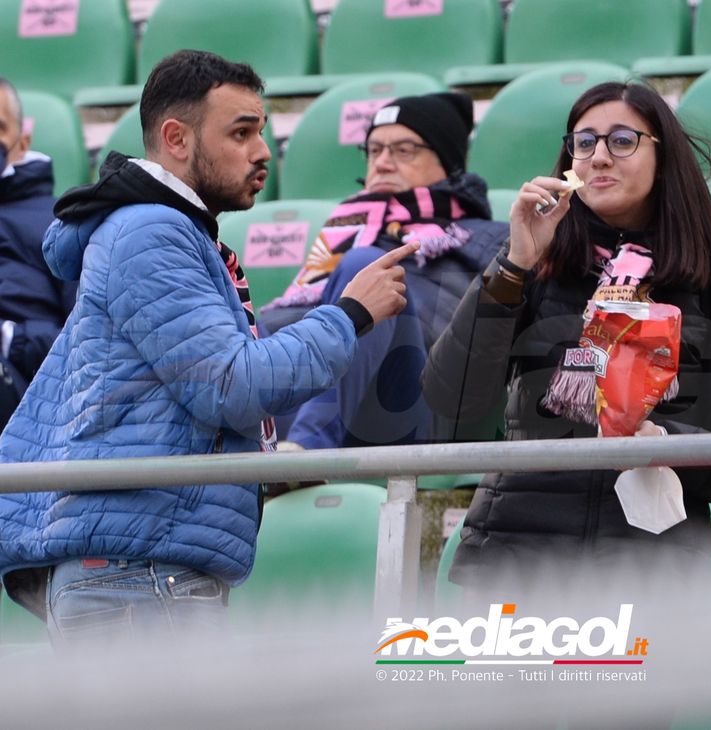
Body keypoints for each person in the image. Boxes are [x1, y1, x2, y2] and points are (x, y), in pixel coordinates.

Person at [0, 50, 416, 644]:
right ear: (175, 137)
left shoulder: (157, 228)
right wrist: (350, 314)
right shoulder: (151, 231)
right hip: (139, 574)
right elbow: (231, 386)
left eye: (263, 132)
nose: (263, 151)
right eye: (241, 132)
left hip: (139, 569)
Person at [421, 81, 711, 597]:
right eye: (584, 143)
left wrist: (666, 446)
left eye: (622, 141)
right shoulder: (534, 270)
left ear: (665, 156)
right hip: (519, 566)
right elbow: (451, 403)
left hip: (651, 576)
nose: (599, 157)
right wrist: (514, 263)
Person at [264, 92, 508, 449]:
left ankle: (307, 450)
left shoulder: (488, 238)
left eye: (404, 150)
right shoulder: (341, 236)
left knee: (370, 268)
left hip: (408, 405)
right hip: (315, 397)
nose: (383, 163)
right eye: (374, 150)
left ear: (447, 162)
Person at [0, 77, 76, 432]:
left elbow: (89, 344)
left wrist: (12, 339)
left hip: (29, 401)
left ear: (22, 141)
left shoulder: (61, 223)